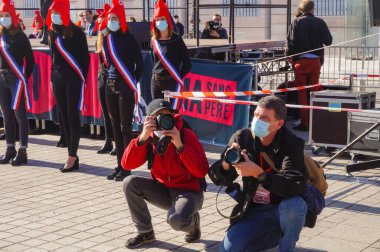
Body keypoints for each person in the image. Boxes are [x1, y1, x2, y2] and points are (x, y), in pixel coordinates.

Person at [209, 96, 307, 252]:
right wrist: (226, 164)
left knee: (295, 205)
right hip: (254, 208)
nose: (257, 121)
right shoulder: (242, 138)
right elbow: (217, 178)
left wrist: (259, 174)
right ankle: (272, 235)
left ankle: (287, 246)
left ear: (279, 124)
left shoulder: (292, 143)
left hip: (281, 208)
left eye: (264, 118)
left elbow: (294, 185)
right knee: (229, 249)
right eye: (255, 115)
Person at [121, 99, 209, 249]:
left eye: (166, 116)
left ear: (172, 117)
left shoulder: (185, 135)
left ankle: (193, 223)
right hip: (162, 190)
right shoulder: (149, 138)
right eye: (158, 116)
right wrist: (142, 138)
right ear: (150, 119)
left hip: (189, 193)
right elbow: (126, 164)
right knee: (129, 182)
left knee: (177, 220)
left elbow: (201, 170)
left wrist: (180, 146)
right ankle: (145, 232)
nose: (163, 120)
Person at [102, 0, 144, 181]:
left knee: (125, 128)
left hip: (125, 85)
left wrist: (132, 80)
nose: (111, 21)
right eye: (109, 18)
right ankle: (119, 164)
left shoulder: (129, 38)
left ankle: (127, 166)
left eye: (114, 18)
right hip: (109, 86)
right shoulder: (106, 38)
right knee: (115, 127)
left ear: (121, 20)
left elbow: (139, 64)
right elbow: (106, 63)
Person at [46, 0, 90, 172]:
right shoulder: (51, 31)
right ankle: (72, 154)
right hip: (56, 77)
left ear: (64, 13)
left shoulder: (77, 32)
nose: (53, 16)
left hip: (73, 78)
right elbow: (53, 56)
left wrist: (82, 79)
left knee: (72, 116)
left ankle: (72, 155)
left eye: (56, 13)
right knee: (63, 116)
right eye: (52, 13)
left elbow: (85, 59)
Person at [286, 0, 332, 131]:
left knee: (302, 93)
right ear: (313, 9)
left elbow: (290, 42)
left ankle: (304, 122)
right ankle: (314, 121)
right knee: (313, 92)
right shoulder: (320, 22)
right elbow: (328, 41)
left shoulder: (296, 22)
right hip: (316, 62)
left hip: (301, 63)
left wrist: (289, 56)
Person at [0, 0, 34, 166]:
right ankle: (9, 148)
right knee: (6, 115)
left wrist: (24, 77)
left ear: (13, 17)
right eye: (1, 16)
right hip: (1, 79)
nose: (4, 19)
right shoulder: (0, 35)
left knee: (19, 115)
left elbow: (30, 59)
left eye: (7, 15)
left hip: (16, 79)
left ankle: (23, 150)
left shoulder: (20, 36)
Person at [150, 0, 191, 104]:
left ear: (168, 21)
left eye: (162, 19)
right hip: (156, 82)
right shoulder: (154, 40)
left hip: (171, 82)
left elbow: (187, 63)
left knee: (171, 115)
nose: (160, 22)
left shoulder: (176, 39)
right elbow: (154, 61)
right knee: (157, 113)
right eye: (157, 19)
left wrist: (177, 77)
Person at [93, 3, 114, 156]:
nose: (99, 24)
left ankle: (116, 142)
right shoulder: (99, 39)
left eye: (101, 22)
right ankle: (108, 140)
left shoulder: (112, 39)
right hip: (102, 77)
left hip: (112, 78)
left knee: (115, 113)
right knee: (105, 112)